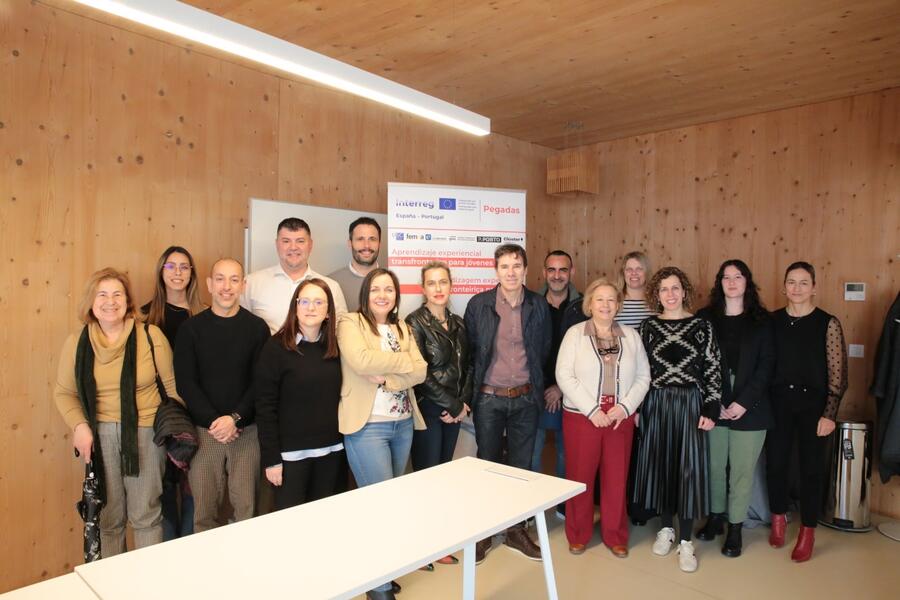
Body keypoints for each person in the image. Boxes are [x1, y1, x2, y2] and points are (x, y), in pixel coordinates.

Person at [54, 268, 178, 556]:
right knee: (109, 519)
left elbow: (172, 389)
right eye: (103, 295)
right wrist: (79, 426)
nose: (111, 301)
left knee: (146, 516)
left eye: (117, 294)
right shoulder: (77, 342)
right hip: (99, 436)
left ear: (128, 301)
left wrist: (177, 432)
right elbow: (64, 393)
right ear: (91, 302)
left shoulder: (151, 335)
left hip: (146, 433)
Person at [336, 268, 427, 600]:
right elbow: (361, 361)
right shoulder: (350, 323)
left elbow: (421, 370)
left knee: (391, 505)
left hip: (402, 424)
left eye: (389, 289)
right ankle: (379, 587)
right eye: (376, 289)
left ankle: (382, 572)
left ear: (396, 295)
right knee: (379, 506)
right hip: (368, 426)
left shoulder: (403, 326)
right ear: (366, 293)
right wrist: (402, 362)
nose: (382, 295)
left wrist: (388, 376)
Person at [464, 244, 552, 564]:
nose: (511, 272)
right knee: (487, 466)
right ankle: (485, 531)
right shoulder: (479, 305)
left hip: (526, 398)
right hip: (489, 398)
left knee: (520, 468)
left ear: (526, 270)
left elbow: (542, 349)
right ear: (495, 270)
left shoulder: (537, 305)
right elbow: (472, 352)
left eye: (517, 266)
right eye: (505, 266)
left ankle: (516, 530)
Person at [633, 266, 722, 573]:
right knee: (662, 466)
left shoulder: (702, 326)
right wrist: (636, 407)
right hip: (656, 402)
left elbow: (712, 367)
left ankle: (686, 541)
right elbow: (639, 371)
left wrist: (711, 408)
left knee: (687, 470)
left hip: (690, 403)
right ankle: (666, 529)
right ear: (655, 295)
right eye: (663, 290)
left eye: (675, 288)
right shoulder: (647, 327)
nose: (669, 295)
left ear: (684, 291)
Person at [556, 278, 650, 558]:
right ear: (590, 304)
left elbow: (644, 376)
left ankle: (615, 534)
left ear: (618, 305)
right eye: (600, 299)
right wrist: (592, 410)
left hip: (620, 418)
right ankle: (578, 533)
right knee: (580, 477)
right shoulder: (575, 334)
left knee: (616, 478)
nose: (606, 305)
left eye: (611, 300)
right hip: (582, 418)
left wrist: (626, 406)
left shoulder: (631, 336)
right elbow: (564, 375)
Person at [174, 259, 270, 532]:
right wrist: (217, 422)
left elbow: (260, 382)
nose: (226, 287)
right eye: (220, 279)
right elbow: (186, 384)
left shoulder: (257, 328)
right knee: (203, 514)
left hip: (246, 432)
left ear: (243, 285)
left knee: (247, 512)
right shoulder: (191, 330)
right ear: (209, 284)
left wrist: (235, 419)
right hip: (205, 433)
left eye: (233, 279)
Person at [766, 261, 847, 562]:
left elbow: (838, 374)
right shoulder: (771, 321)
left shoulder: (828, 322)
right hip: (778, 403)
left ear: (814, 287)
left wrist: (830, 413)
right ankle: (778, 519)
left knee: (811, 470)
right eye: (791, 282)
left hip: (814, 406)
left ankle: (808, 531)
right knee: (776, 464)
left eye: (803, 283)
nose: (797, 288)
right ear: (783, 286)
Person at [695, 260, 774, 558]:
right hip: (714, 403)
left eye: (737, 276)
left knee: (741, 473)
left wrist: (742, 402)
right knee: (714, 467)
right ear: (719, 283)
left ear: (747, 282)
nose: (731, 282)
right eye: (725, 277)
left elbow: (767, 366)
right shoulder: (705, 318)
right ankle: (716, 518)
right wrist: (717, 402)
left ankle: (736, 529)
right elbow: (699, 365)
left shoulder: (762, 321)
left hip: (751, 407)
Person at [255, 279, 344, 509]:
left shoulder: (335, 348)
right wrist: (271, 458)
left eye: (318, 302)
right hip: (290, 457)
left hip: (331, 452)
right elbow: (265, 407)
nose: (311, 308)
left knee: (325, 523)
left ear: (328, 311)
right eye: (304, 301)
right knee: (290, 529)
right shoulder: (276, 348)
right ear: (295, 306)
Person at [405, 262, 472, 567]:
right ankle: (421, 547)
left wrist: (462, 403)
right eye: (431, 283)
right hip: (429, 411)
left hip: (454, 411)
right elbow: (421, 374)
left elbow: (469, 366)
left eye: (443, 282)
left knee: (444, 475)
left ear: (450, 285)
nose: (438, 288)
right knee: (426, 478)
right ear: (423, 289)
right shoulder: (414, 322)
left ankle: (437, 540)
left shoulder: (458, 323)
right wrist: (451, 405)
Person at [141, 246, 205, 540]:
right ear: (161, 272)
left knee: (194, 486)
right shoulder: (144, 318)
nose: (178, 273)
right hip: (159, 415)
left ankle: (188, 552)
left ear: (192, 274)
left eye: (184, 267)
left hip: (196, 410)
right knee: (163, 489)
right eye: (171, 267)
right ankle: (166, 551)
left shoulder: (204, 315)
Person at [532, 251, 580, 515]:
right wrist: (541, 387)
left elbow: (586, 355)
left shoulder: (584, 307)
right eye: (552, 270)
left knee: (567, 454)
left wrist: (561, 387)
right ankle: (533, 507)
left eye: (563, 270)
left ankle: (564, 504)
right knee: (532, 452)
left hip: (571, 392)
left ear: (571, 272)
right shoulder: (531, 303)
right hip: (535, 390)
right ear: (544, 272)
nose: (557, 275)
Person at [242, 217, 348, 334]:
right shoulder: (252, 283)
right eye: (286, 241)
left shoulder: (331, 287)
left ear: (310, 245)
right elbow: (241, 328)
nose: (293, 247)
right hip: (268, 352)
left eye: (300, 241)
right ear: (277, 244)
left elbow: (341, 332)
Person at [329, 217, 381, 312]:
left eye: (372, 239)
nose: (367, 245)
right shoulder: (330, 282)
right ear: (350, 243)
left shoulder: (392, 281)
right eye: (360, 239)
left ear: (379, 244)